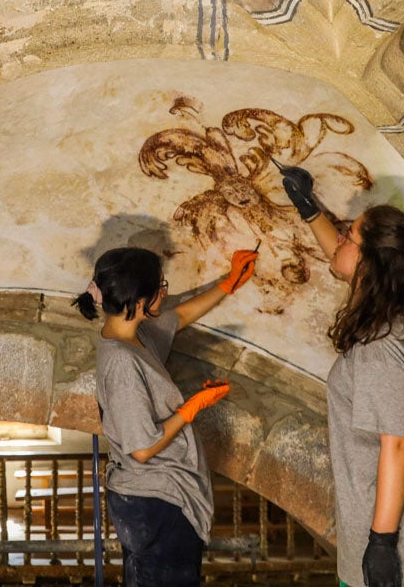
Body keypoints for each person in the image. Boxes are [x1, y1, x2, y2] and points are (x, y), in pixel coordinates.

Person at [279, 163, 404, 587]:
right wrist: (308, 208)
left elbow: (397, 445)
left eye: (348, 235)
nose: (339, 239)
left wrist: (381, 543)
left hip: (402, 545)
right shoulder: (402, 318)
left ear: (370, 264)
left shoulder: (376, 349)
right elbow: (344, 257)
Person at [73, 244, 258, 586]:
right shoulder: (123, 363)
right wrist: (193, 406)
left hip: (156, 497)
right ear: (139, 302)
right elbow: (141, 449)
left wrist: (228, 283)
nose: (164, 293)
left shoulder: (133, 333)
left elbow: (180, 317)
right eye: (160, 287)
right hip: (154, 502)